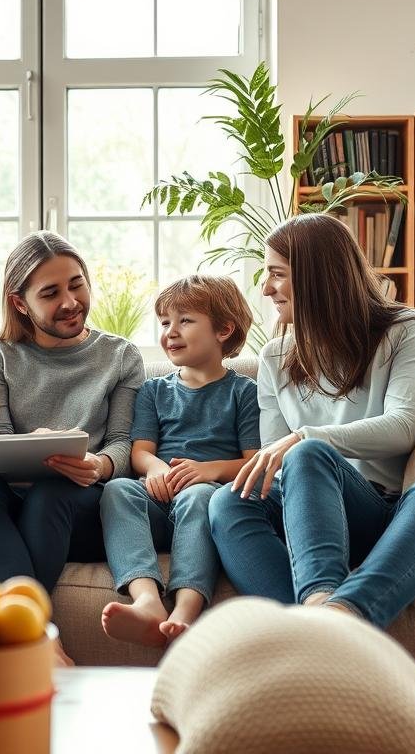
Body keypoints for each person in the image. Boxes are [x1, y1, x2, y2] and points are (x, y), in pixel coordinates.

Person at [208, 213, 415, 628]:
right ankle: (318, 620)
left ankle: (335, 613)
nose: (265, 288)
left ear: (317, 277)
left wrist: (305, 438)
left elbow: (402, 426)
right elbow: (274, 468)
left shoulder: (408, 329)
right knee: (227, 501)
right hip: (324, 521)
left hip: (402, 518)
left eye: (277, 274)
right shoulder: (274, 357)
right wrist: (300, 449)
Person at [0, 231, 145, 663]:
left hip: (79, 509)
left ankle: (24, 642)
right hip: (10, 506)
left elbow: (122, 442)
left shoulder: (120, 356)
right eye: (51, 293)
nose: (71, 302)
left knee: (53, 490)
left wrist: (99, 465)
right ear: (20, 303)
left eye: (77, 285)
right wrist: (27, 445)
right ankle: (38, 639)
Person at [98, 274, 259, 647]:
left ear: (223, 330)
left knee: (199, 495)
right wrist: (156, 467)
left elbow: (253, 461)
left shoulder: (243, 392)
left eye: (185, 321)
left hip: (205, 502)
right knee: (118, 489)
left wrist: (208, 471)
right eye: (165, 322)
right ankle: (147, 601)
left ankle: (185, 610)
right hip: (158, 498)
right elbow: (140, 452)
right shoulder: (153, 390)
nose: (170, 332)